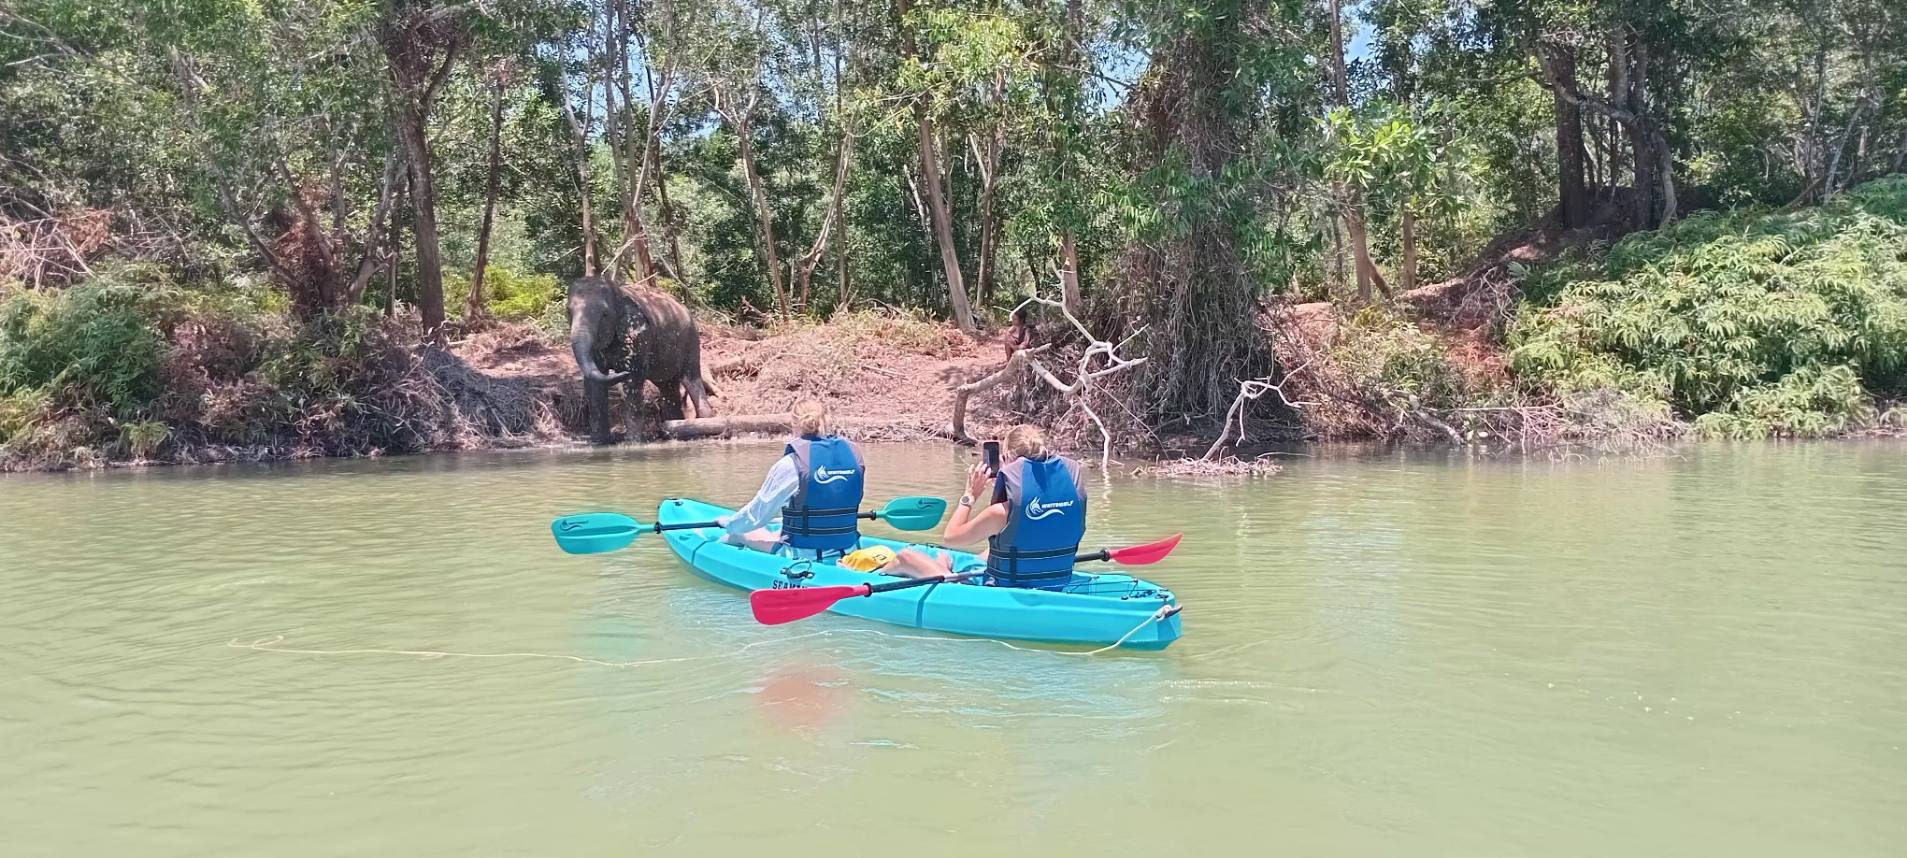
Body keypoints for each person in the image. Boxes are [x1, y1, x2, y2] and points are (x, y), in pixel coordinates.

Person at [893, 423, 1086, 590]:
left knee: (905, 556)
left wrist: (970, 495)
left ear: (1008, 458)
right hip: (1056, 581)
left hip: (1007, 589)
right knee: (987, 553)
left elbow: (951, 538)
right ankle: (948, 568)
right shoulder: (1072, 503)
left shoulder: (1001, 513)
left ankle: (945, 574)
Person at [719, 399, 866, 560]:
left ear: (794, 423)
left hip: (802, 557)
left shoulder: (791, 463)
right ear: (827, 420)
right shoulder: (854, 455)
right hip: (850, 553)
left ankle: (714, 551)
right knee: (780, 530)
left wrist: (730, 525)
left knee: (740, 532)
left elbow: (757, 516)